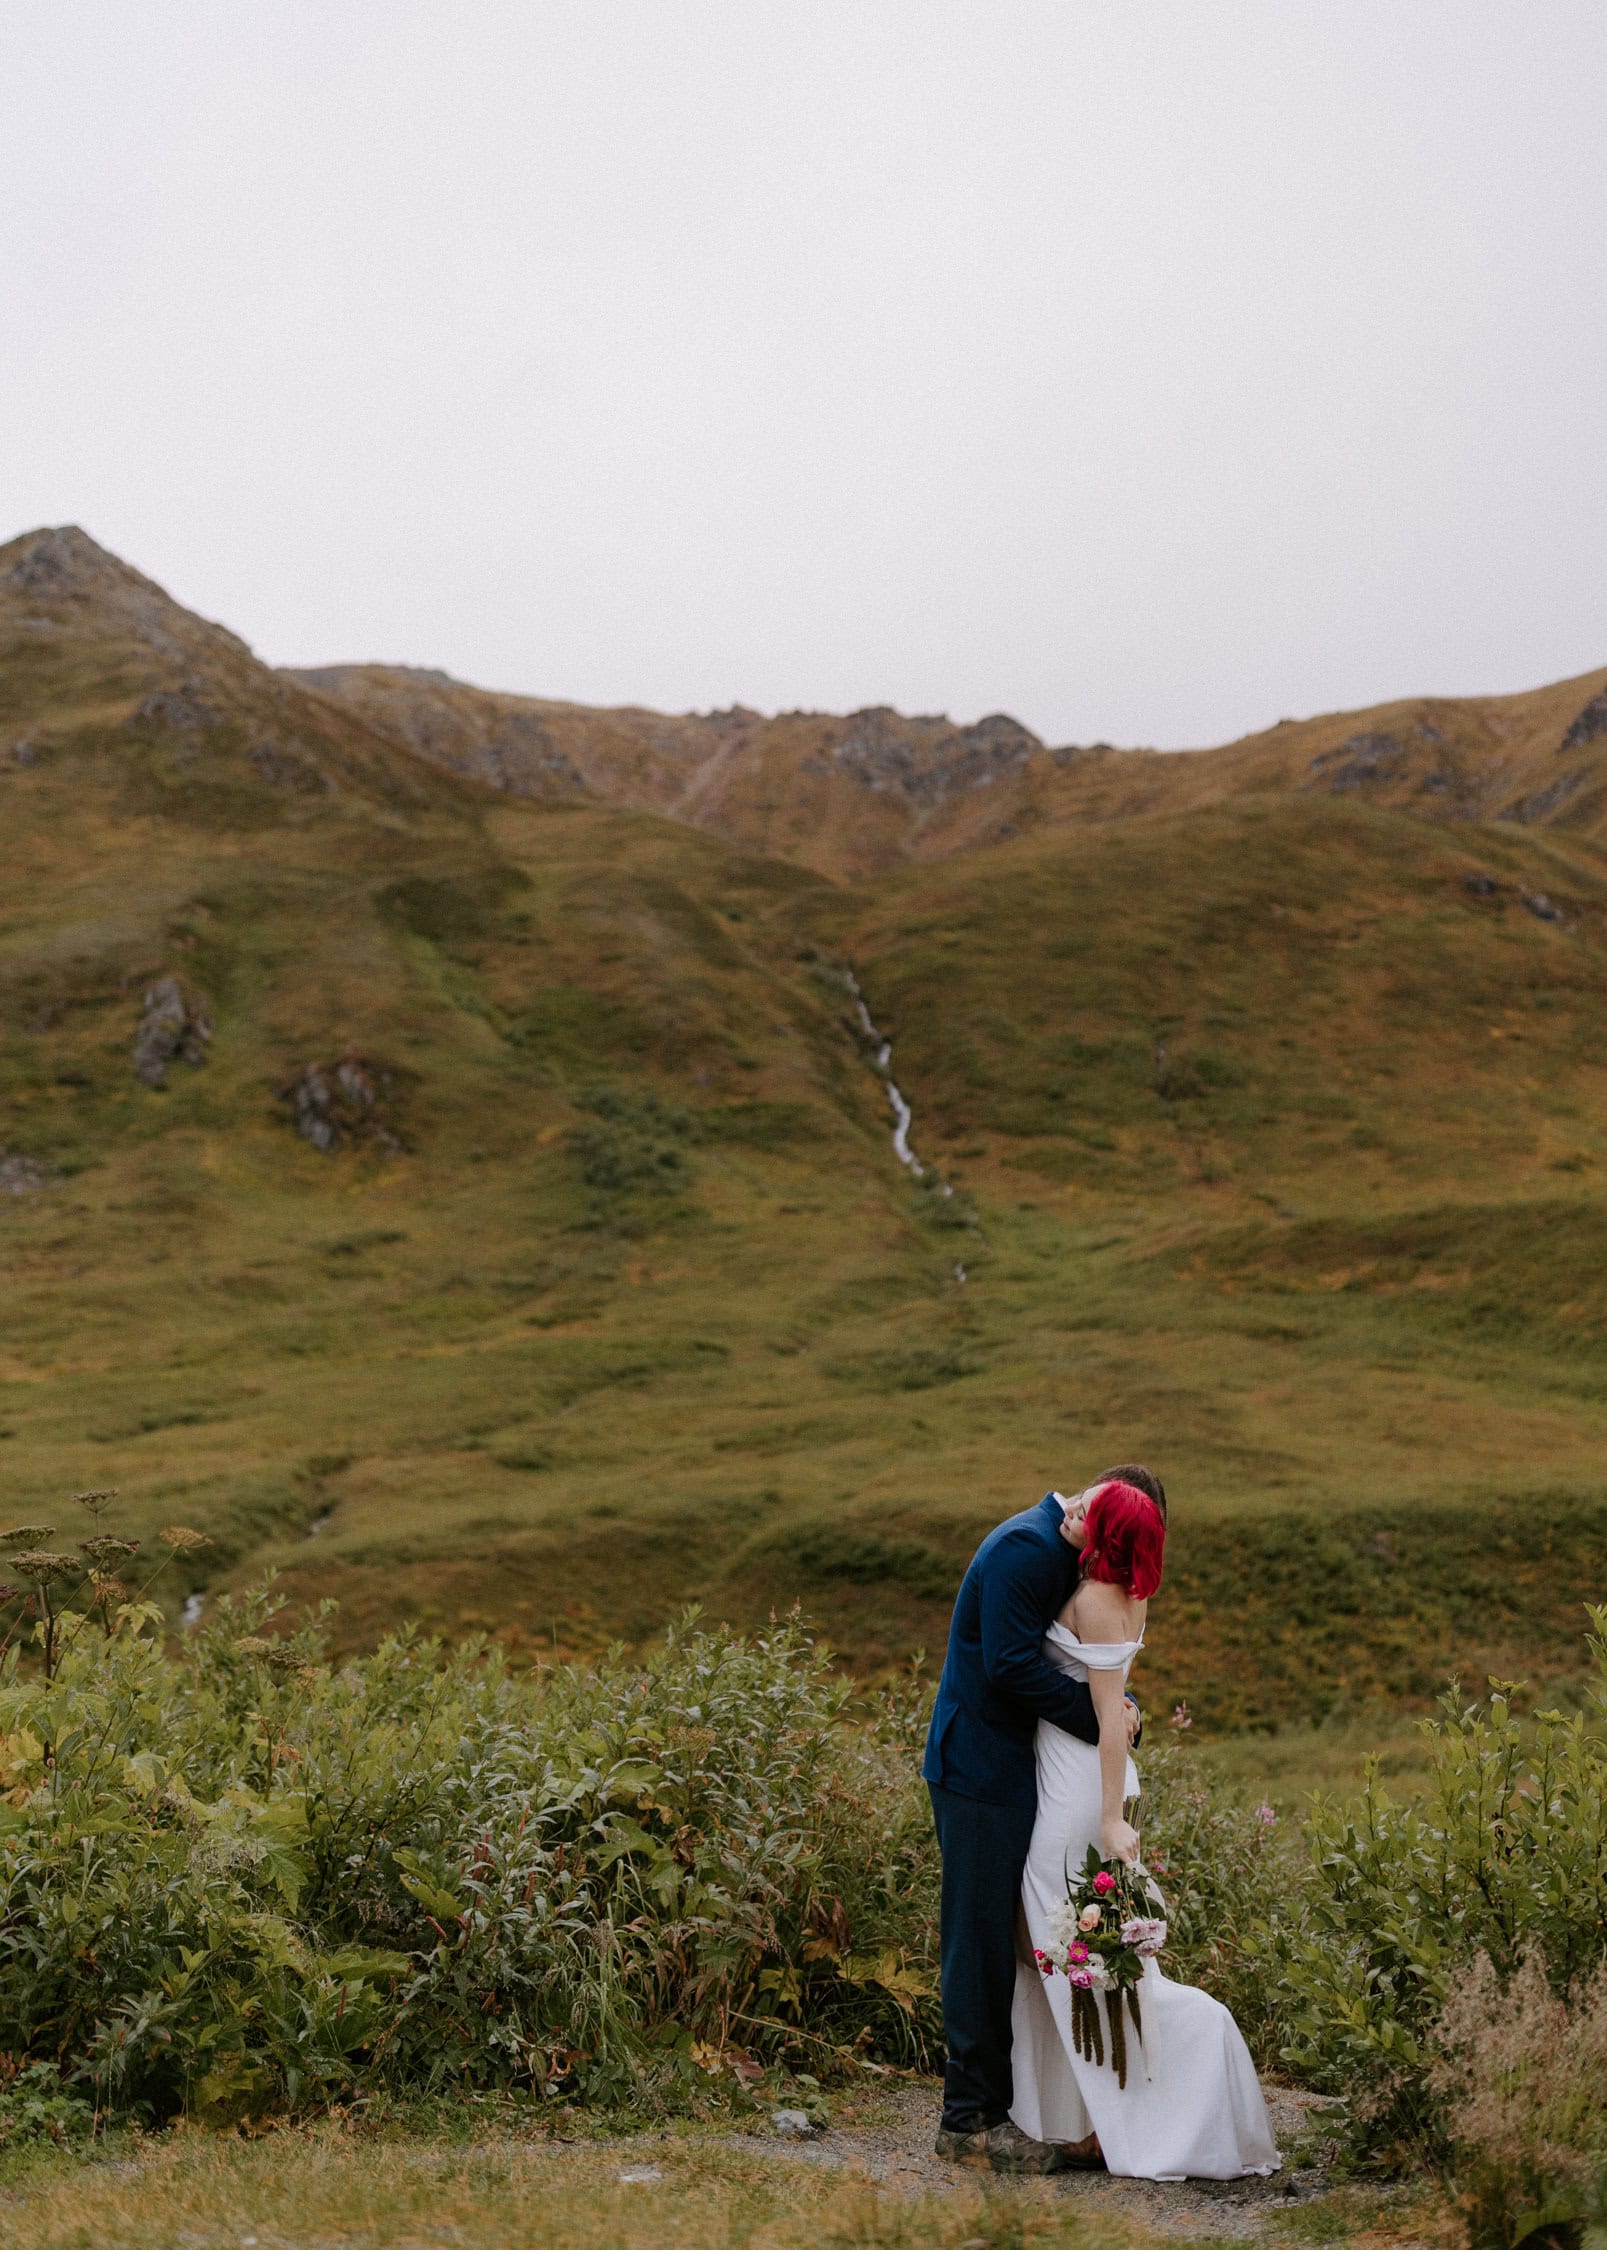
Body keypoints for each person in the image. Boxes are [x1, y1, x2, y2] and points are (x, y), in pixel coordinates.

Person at [1008, 1479, 1280, 2181]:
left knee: (1068, 1955)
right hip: (1082, 1777)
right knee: (1072, 1951)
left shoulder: (1096, 1599)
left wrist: (1105, 1817)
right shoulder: (1130, 1592)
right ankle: (1065, 2116)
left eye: (1090, 1511)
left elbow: (1105, 1718)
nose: (1078, 1511)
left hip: (1074, 1784)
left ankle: (1155, 2102)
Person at [923, 1466, 1161, 2174]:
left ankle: (1035, 2105)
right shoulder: (1028, 1550)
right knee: (979, 1941)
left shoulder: (1070, 1557)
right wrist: (1104, 1725)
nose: (1083, 1512)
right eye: (1093, 1504)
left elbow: (1079, 1662)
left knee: (1016, 1937)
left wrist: (1117, 1714)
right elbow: (1007, 1667)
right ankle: (968, 2121)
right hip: (976, 1770)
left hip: (1012, 1772)